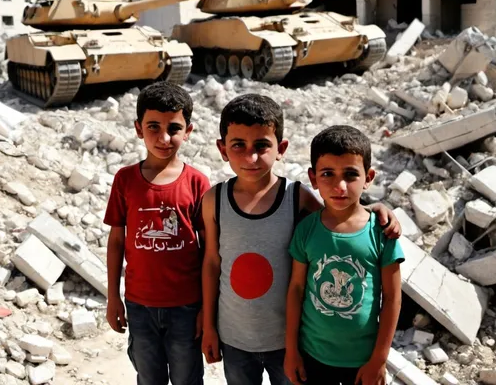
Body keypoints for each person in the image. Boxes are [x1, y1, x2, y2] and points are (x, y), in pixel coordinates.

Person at [201, 94, 402, 385]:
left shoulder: (296, 198)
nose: (251, 157)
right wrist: (209, 325)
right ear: (223, 149)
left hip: (289, 341)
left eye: (261, 145)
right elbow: (210, 263)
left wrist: (374, 210)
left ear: (280, 148)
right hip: (235, 337)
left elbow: (338, 217)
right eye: (238, 146)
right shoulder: (214, 201)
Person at [104, 81, 211, 385]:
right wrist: (113, 297)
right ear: (138, 128)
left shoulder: (197, 183)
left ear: (188, 131)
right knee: (148, 377)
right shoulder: (125, 180)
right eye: (153, 127)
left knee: (186, 377)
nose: (164, 138)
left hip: (186, 307)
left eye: (174, 128)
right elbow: (116, 242)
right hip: (140, 306)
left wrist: (206, 307)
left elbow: (209, 250)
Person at [284, 125, 405, 385]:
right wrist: (292, 351)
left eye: (351, 174)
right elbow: (296, 289)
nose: (340, 185)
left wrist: (379, 360)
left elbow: (393, 298)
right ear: (313, 178)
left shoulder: (381, 232)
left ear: (368, 177)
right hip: (312, 355)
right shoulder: (306, 230)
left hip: (362, 360)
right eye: (328, 174)